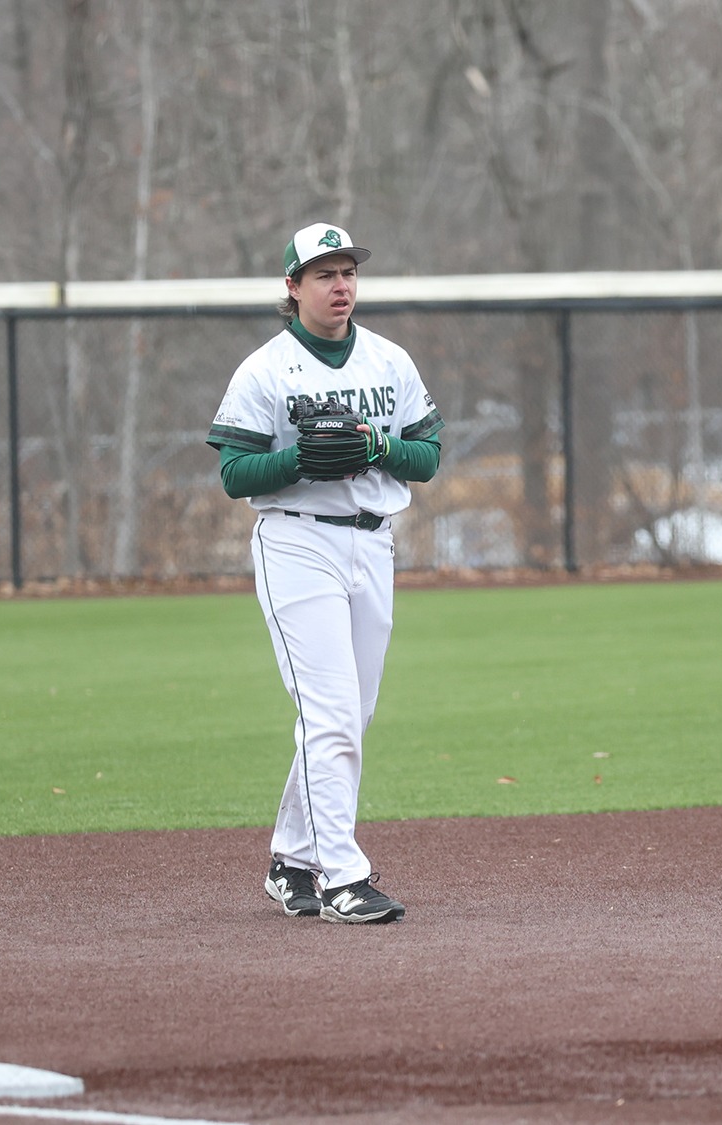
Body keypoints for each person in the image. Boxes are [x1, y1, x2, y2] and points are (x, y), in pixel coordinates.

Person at [207, 222, 444, 924]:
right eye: (324, 274)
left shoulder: (389, 360)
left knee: (348, 716)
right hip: (297, 544)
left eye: (347, 273)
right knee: (333, 712)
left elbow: (427, 455)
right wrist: (301, 461)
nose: (341, 285)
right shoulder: (265, 369)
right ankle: (343, 875)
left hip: (373, 544)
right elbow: (233, 473)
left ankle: (290, 858)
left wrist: (378, 443)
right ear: (292, 287)